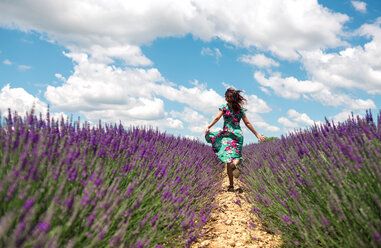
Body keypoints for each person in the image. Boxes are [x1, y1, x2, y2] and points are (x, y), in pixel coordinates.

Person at [205, 88, 266, 192]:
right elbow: (247, 123)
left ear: (227, 97)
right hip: (238, 135)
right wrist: (257, 134)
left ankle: (231, 185)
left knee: (228, 160)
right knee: (237, 156)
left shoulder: (224, 107)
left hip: (227, 134)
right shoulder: (240, 110)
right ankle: (235, 164)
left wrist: (209, 126)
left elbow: (217, 118)